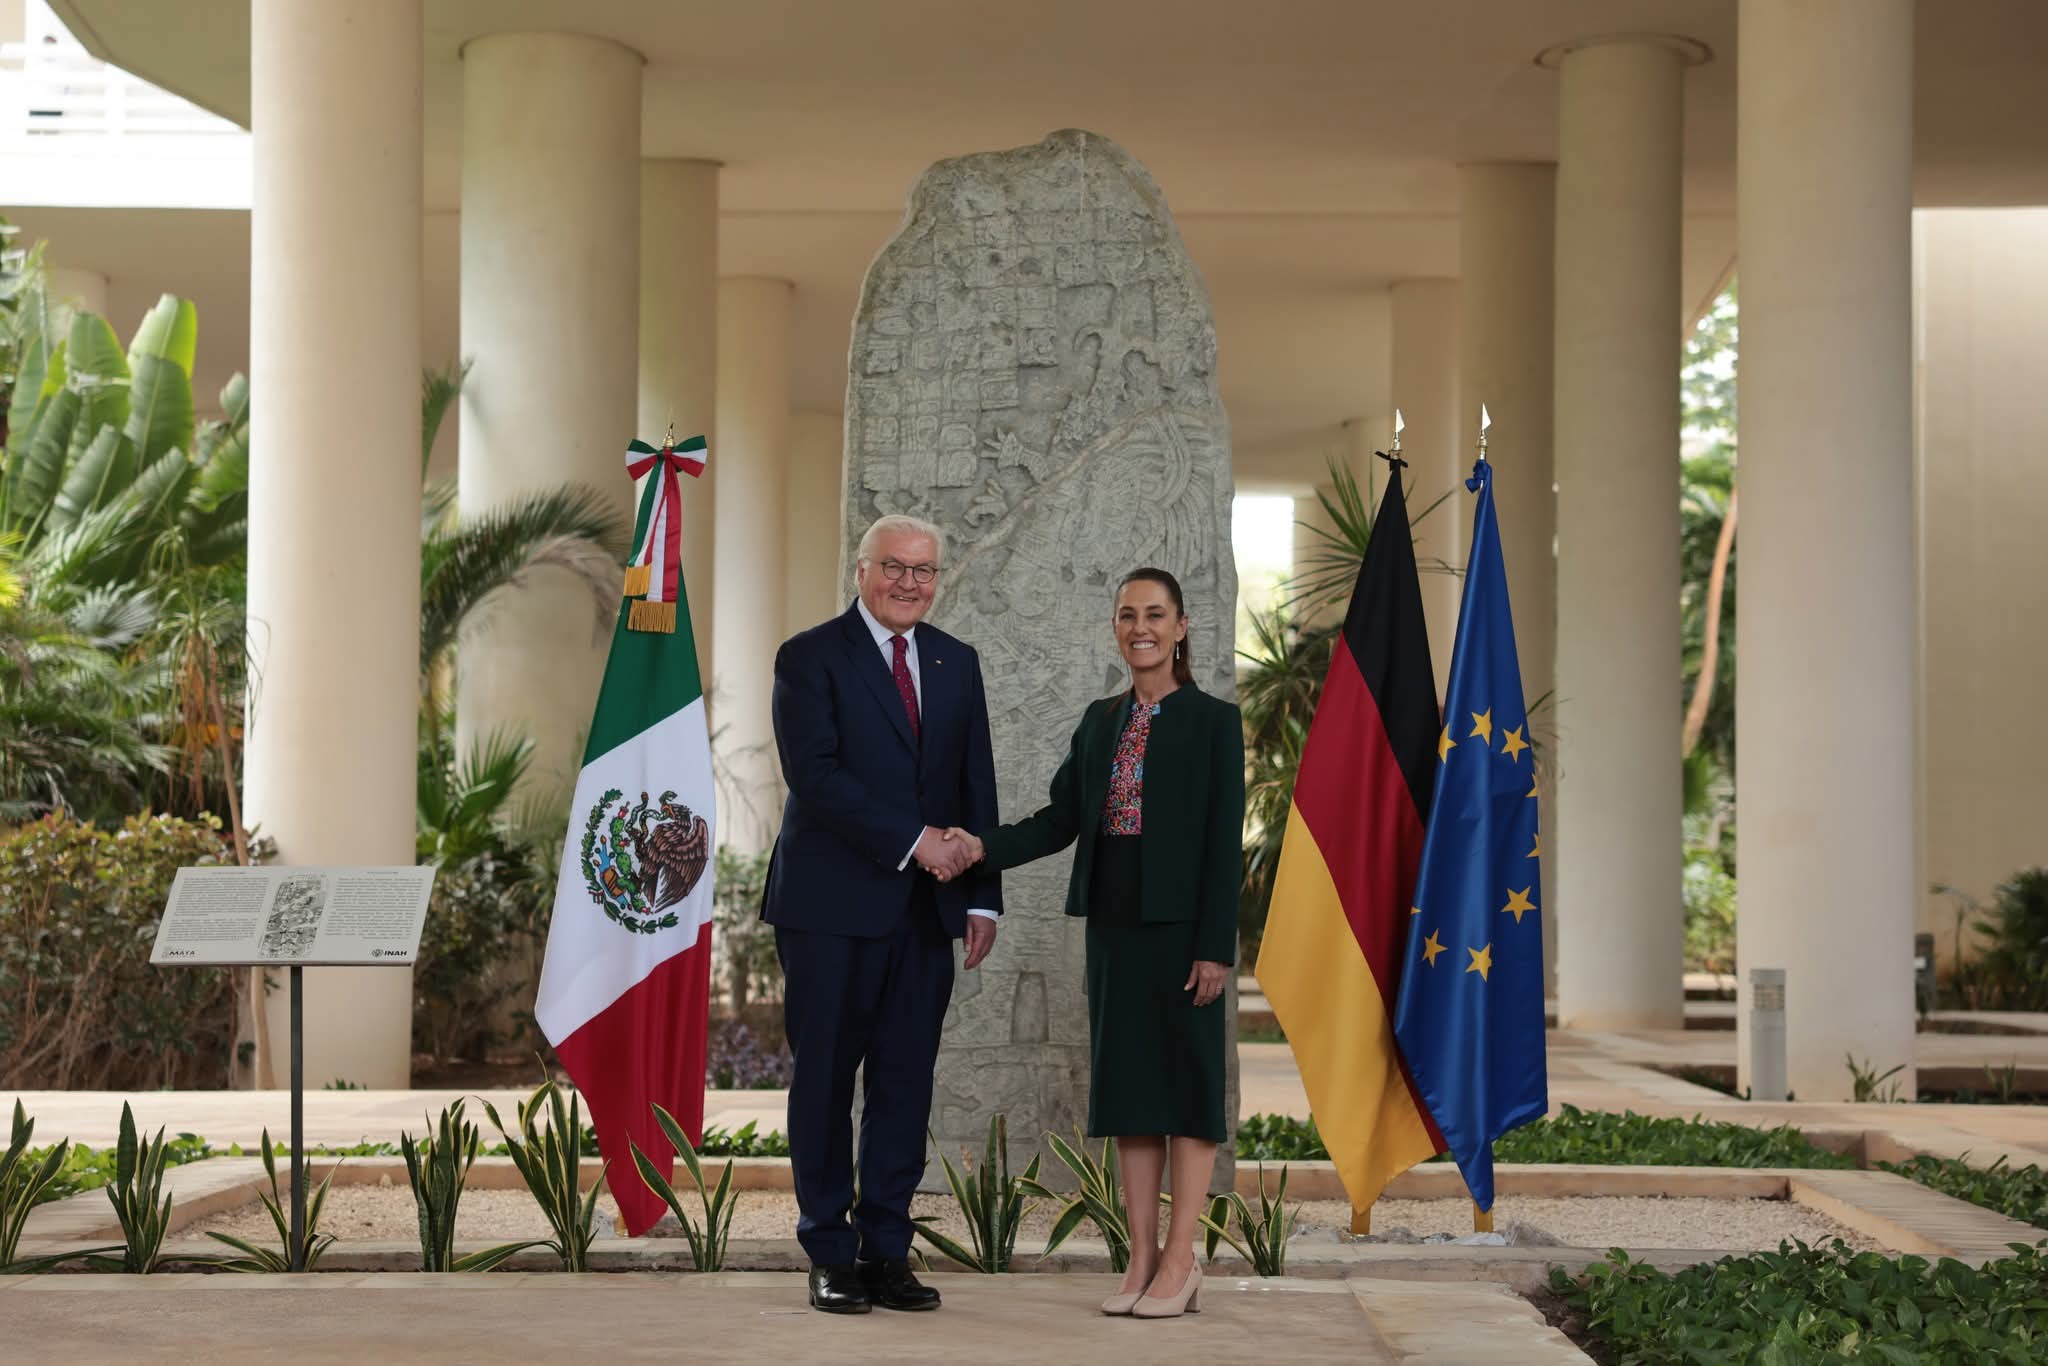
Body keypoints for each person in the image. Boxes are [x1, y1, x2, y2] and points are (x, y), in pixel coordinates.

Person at [947, 567, 1243, 1320]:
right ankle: (1140, 1257)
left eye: (1155, 614)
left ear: (1181, 627)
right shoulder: (1099, 720)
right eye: (1127, 615)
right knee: (1132, 1092)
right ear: (1115, 627)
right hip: (1114, 928)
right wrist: (979, 847)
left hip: (1185, 934)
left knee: (1188, 1089)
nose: (1140, 627)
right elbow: (1059, 820)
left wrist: (1215, 947)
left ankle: (1182, 1258)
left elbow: (1222, 844)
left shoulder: (1214, 722)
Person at [762, 513, 1002, 1315]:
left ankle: (887, 1251)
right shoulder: (809, 656)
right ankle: (829, 1252)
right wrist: (914, 841)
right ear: (861, 571)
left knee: (904, 1084)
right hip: (829, 910)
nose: (909, 582)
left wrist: (982, 896)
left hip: (926, 913)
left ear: (938, 580)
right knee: (825, 1084)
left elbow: (974, 781)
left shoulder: (956, 661)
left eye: (923, 570)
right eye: (893, 566)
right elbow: (816, 776)